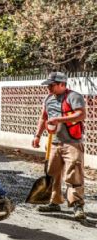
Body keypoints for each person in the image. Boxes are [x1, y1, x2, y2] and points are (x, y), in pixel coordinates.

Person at [32, 72, 87, 220]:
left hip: (72, 143)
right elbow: (43, 117)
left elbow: (81, 115)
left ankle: (77, 205)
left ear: (62, 84)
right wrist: (37, 135)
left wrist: (58, 119)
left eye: (52, 85)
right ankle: (54, 202)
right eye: (48, 85)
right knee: (52, 172)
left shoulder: (74, 97)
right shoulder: (48, 98)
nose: (48, 87)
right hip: (55, 142)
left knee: (73, 173)